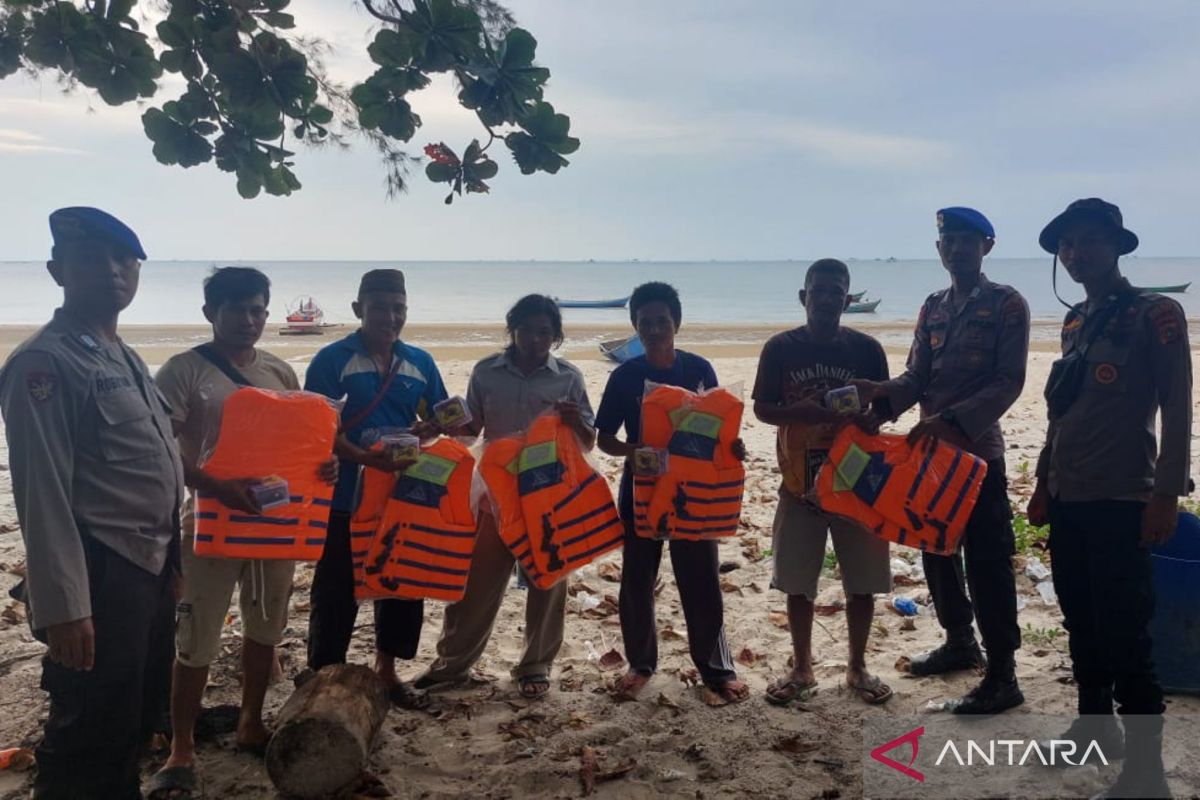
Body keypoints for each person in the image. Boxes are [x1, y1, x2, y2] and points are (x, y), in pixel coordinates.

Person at [0, 208, 183, 799]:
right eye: (90, 260)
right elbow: (42, 493)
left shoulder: (118, 352)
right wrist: (64, 609)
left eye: (124, 260)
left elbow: (154, 467)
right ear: (58, 270)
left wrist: (173, 564)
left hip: (147, 569)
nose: (111, 271)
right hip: (100, 574)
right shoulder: (43, 363)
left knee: (132, 715)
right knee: (88, 732)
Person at [148, 268, 338, 798]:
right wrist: (216, 486)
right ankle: (181, 746)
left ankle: (251, 721)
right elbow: (162, 449)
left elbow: (305, 447)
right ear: (210, 313)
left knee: (266, 628)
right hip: (209, 522)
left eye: (258, 309)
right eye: (236, 309)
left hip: (277, 523)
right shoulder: (183, 372)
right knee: (196, 637)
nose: (249, 320)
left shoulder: (280, 371)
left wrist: (327, 470)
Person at [1028, 199, 1191, 798]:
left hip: (1125, 498)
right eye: (1067, 244)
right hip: (1070, 496)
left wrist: (1166, 495)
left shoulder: (1156, 315)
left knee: (1126, 632)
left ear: (1118, 246)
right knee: (1081, 620)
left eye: (1090, 241)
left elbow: (1177, 410)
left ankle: (1146, 773)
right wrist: (1043, 484)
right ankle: (1094, 731)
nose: (1076, 253)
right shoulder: (1077, 323)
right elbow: (1058, 412)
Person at [854, 207, 1029, 714]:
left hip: (976, 458)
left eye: (966, 241)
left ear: (986, 247)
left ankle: (1003, 673)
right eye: (948, 241)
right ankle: (959, 642)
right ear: (939, 250)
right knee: (935, 551)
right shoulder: (933, 307)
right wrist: (880, 408)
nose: (955, 249)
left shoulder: (1006, 304)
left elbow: (1008, 382)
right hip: (929, 458)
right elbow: (915, 376)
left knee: (988, 562)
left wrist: (949, 420)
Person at [416, 295, 594, 699]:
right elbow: (472, 430)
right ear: (512, 330)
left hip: (548, 495)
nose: (535, 339)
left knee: (548, 579)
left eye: (545, 332)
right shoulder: (485, 372)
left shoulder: (568, 377)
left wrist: (574, 422)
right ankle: (452, 663)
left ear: (556, 336)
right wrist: (443, 424)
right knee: (475, 582)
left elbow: (586, 441)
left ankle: (535, 665)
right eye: (527, 330)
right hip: (493, 495)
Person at [596, 282, 750, 705]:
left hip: (696, 492)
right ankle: (640, 663)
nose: (654, 329)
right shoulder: (625, 376)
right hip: (643, 490)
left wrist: (734, 448)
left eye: (661, 320)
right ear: (635, 327)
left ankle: (717, 669)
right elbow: (604, 438)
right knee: (638, 579)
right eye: (644, 322)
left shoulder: (700, 369)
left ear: (676, 323)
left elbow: (719, 430)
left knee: (701, 580)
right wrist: (632, 452)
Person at [752, 259, 894, 706]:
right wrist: (807, 412)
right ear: (803, 297)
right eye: (819, 291)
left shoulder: (867, 349)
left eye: (837, 291)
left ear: (848, 299)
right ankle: (802, 666)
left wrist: (874, 418)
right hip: (799, 481)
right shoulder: (779, 349)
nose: (827, 299)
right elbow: (762, 409)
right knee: (797, 580)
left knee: (863, 581)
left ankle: (857, 667)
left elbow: (887, 403)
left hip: (858, 481)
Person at [304, 269, 447, 707]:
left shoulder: (420, 362)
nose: (390, 316)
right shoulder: (331, 360)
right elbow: (315, 428)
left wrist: (431, 428)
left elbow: (440, 417)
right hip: (343, 494)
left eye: (398, 308)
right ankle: (324, 674)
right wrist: (365, 458)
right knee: (335, 588)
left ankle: (387, 672)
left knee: (400, 582)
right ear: (358, 310)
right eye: (380, 307)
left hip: (401, 496)